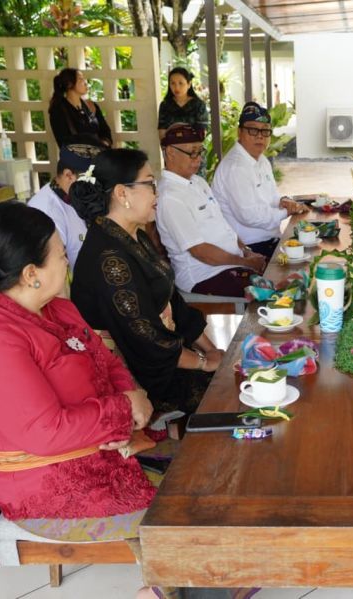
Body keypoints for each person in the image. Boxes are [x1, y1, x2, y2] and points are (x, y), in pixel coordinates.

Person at [0, 200, 155, 539]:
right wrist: (125, 409)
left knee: (213, 487)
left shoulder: (58, 309)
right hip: (50, 487)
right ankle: (161, 592)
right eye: (60, 254)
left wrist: (131, 405)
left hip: (103, 452)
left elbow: (107, 361)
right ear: (30, 273)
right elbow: (47, 432)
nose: (67, 259)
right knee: (196, 524)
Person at [70, 148, 221, 415]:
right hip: (138, 374)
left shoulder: (131, 235)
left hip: (164, 354)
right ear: (121, 193)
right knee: (228, 392)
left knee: (233, 370)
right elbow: (147, 339)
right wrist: (202, 363)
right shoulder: (109, 258)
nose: (157, 192)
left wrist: (212, 350)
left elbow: (172, 298)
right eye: (150, 183)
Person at [156, 124, 267, 297]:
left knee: (279, 273)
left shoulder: (198, 182)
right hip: (204, 274)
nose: (198, 159)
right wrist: (245, 262)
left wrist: (247, 252)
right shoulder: (170, 196)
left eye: (200, 152)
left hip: (230, 264)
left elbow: (223, 226)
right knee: (268, 293)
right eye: (192, 152)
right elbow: (200, 252)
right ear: (170, 152)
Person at [212, 101, 307, 257]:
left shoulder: (260, 160)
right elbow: (249, 216)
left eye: (265, 131)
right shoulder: (236, 167)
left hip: (269, 241)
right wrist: (287, 211)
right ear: (239, 132)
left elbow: (271, 196)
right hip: (249, 249)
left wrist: (283, 200)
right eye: (252, 130)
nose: (260, 137)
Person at [27, 143, 102, 270]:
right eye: (92, 179)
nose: (97, 186)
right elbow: (51, 271)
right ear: (68, 175)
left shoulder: (79, 197)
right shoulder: (47, 211)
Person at [48, 68, 113, 148]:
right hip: (76, 158)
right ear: (69, 84)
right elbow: (63, 141)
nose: (85, 83)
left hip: (99, 156)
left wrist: (104, 143)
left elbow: (105, 131)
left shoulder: (91, 105)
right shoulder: (58, 110)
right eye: (81, 79)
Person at [157, 67, 209, 140]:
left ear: (189, 84)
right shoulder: (165, 105)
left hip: (193, 148)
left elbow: (202, 132)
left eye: (181, 83)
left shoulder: (198, 105)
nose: (176, 87)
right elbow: (162, 132)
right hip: (171, 148)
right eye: (173, 83)